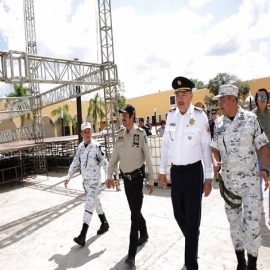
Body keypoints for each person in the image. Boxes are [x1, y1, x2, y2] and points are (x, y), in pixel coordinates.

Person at [211, 85, 270, 270]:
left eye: (223, 99)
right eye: (219, 100)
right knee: (235, 226)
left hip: (250, 183)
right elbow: (214, 147)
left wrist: (266, 170)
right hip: (229, 185)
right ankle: (241, 262)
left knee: (252, 226)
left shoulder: (250, 119)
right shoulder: (219, 124)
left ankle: (252, 263)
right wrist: (215, 161)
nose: (219, 103)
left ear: (234, 100)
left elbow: (263, 145)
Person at [159, 76, 212, 270]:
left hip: (193, 173)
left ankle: (191, 264)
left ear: (191, 95)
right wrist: (162, 171)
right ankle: (193, 236)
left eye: (184, 94)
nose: (180, 98)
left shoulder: (199, 116)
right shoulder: (171, 116)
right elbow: (165, 146)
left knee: (192, 218)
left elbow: (206, 147)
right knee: (178, 213)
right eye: (177, 94)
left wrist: (208, 178)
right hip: (177, 173)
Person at [106, 104, 154, 267]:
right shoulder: (120, 135)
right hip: (126, 180)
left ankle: (131, 254)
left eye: (125, 114)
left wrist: (151, 180)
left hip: (137, 179)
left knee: (133, 216)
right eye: (122, 115)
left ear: (133, 116)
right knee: (134, 210)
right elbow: (113, 158)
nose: (123, 117)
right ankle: (145, 232)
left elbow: (148, 157)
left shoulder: (140, 135)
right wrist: (109, 175)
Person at [64, 122, 109, 246]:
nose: (88, 133)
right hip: (86, 183)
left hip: (95, 181)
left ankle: (83, 235)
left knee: (89, 205)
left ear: (92, 132)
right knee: (95, 202)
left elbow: (104, 162)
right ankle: (104, 223)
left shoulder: (96, 146)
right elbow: (75, 162)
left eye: (89, 131)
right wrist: (69, 176)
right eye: (85, 132)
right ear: (81, 134)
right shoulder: (80, 148)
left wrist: (111, 177)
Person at [253, 88, 270, 224]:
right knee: (257, 184)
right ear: (256, 100)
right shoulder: (252, 116)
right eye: (260, 97)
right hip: (257, 156)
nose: (263, 98)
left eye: (264, 96)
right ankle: (261, 206)